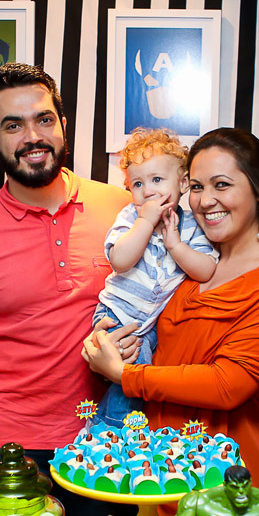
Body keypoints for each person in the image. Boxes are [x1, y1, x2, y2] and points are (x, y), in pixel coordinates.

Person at [0, 62, 137, 516]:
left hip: (106, 445)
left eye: (43, 119)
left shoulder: (122, 210)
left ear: (62, 125)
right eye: (13, 125)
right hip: (1, 449)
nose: (32, 136)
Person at [82, 127, 259, 491]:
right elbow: (150, 330)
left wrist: (124, 375)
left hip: (222, 486)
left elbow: (227, 385)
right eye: (199, 187)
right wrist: (109, 342)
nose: (205, 201)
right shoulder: (187, 261)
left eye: (222, 185)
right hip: (157, 473)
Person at [94, 127, 218, 428]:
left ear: (183, 183)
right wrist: (145, 222)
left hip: (151, 324)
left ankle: (108, 427)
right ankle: (112, 431)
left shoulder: (191, 227)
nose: (148, 191)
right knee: (135, 368)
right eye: (138, 183)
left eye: (157, 180)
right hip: (117, 313)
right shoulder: (131, 217)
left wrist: (175, 245)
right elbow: (120, 260)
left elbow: (206, 270)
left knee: (150, 372)